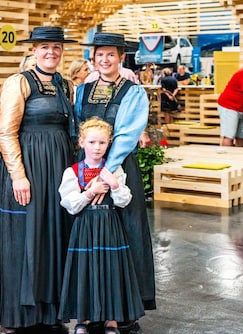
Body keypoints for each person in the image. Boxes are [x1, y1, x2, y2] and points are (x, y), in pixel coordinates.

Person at [0, 26, 76, 334]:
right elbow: (6, 132)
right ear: (34, 50)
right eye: (44, 47)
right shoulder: (18, 82)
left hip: (59, 168)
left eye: (56, 47)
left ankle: (49, 311)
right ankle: (13, 317)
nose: (51, 52)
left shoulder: (66, 85)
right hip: (28, 169)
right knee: (23, 237)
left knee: (53, 235)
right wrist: (19, 175)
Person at [75, 32, 156, 319]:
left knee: (127, 232)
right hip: (87, 170)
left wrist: (105, 176)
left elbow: (126, 135)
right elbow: (78, 130)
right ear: (93, 58)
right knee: (88, 236)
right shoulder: (81, 91)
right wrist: (87, 174)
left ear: (121, 57)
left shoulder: (133, 92)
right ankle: (91, 305)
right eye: (100, 54)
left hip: (118, 170)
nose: (105, 59)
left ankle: (123, 308)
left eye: (111, 54)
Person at [57, 118, 144, 334]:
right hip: (85, 229)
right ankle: (82, 322)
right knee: (84, 271)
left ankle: (111, 323)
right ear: (82, 142)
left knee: (111, 271)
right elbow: (69, 204)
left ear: (109, 144)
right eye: (92, 142)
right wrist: (90, 192)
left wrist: (115, 185)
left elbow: (125, 201)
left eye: (102, 142)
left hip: (109, 228)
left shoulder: (114, 169)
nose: (97, 147)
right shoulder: (73, 172)